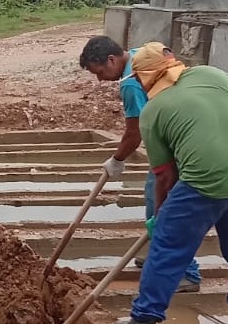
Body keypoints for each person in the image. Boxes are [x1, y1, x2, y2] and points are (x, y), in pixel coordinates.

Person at [109, 42, 228, 324]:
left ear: (146, 79)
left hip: (204, 179)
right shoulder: (215, 75)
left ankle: (143, 323)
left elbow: (165, 177)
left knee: (168, 248)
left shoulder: (153, 111)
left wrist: (158, 219)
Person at [79, 36, 201, 293]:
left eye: (100, 72)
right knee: (155, 202)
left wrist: (117, 160)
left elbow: (134, 132)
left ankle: (185, 271)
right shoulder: (139, 54)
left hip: (177, 143)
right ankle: (161, 256)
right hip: (182, 134)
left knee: (162, 206)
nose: (100, 80)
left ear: (112, 60)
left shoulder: (131, 83)